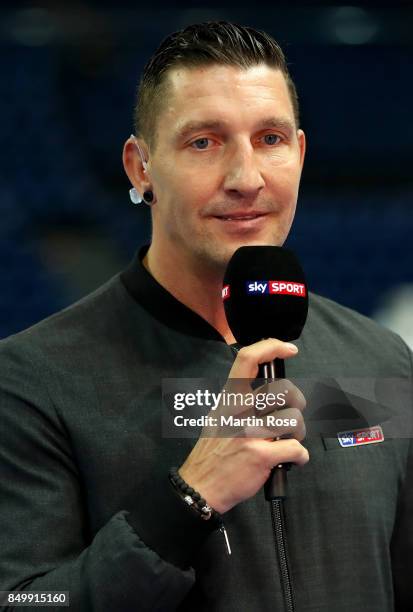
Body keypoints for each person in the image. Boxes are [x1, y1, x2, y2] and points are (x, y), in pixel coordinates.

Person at [0, 21, 412, 612]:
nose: (246, 179)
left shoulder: (378, 357)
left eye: (269, 139)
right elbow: (27, 603)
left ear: (299, 153)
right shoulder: (30, 380)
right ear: (140, 168)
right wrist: (191, 498)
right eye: (204, 142)